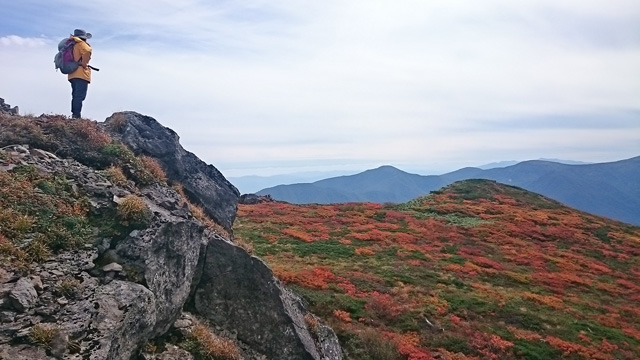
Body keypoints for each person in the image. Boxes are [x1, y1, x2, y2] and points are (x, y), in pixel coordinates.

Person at [68, 29, 93, 118]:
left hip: (72, 73)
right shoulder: (81, 44)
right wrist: (84, 63)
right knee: (79, 96)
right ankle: (76, 116)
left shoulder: (72, 44)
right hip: (81, 74)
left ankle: (74, 114)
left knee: (75, 95)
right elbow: (87, 51)